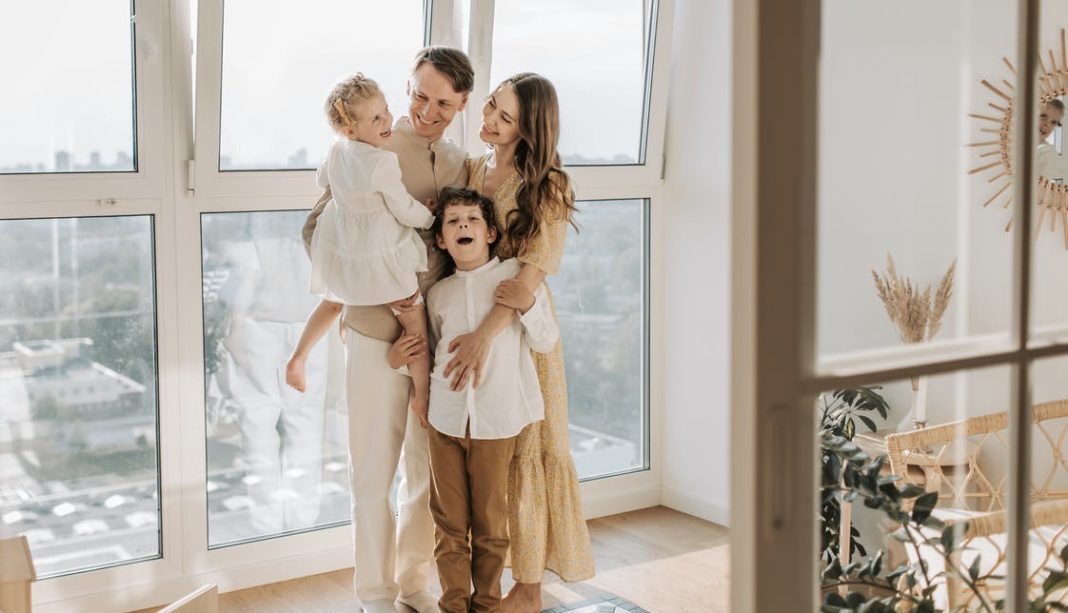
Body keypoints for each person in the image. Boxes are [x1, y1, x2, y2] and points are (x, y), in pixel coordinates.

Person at [300, 46, 473, 613]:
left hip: (436, 340)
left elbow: (462, 244)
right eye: (420, 95)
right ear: (407, 88)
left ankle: (411, 586)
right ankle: (374, 594)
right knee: (372, 471)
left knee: (426, 476)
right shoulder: (367, 149)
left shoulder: (458, 163)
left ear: (461, 104)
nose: (428, 110)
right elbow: (317, 231)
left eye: (443, 103)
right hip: (374, 333)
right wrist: (375, 300)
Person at [449, 73, 595, 612]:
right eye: (490, 106)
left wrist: (484, 337)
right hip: (475, 320)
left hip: (524, 329)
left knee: (532, 450)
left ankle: (529, 588)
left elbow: (530, 275)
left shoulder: (549, 183)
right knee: (492, 452)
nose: (488, 120)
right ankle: (491, 579)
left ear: (529, 128)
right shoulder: (472, 167)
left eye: (504, 117)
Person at [425, 187, 558, 612]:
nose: (463, 225)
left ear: (491, 233)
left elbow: (546, 339)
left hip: (495, 423)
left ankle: (486, 605)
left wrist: (529, 304)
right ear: (443, 240)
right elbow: (432, 351)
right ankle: (453, 604)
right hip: (444, 421)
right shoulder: (438, 294)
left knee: (489, 525)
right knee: (448, 525)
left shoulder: (516, 277)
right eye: (452, 221)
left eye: (472, 219)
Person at [288, 73, 435, 428]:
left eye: (385, 112)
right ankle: (423, 393)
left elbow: (321, 180)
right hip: (381, 254)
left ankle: (298, 357)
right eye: (376, 119)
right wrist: (430, 217)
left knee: (334, 299)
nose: (386, 121)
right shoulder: (383, 163)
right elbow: (402, 208)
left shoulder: (337, 150)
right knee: (414, 317)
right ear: (351, 130)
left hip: (345, 247)